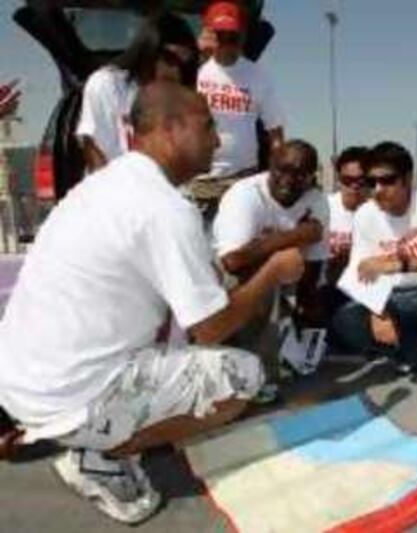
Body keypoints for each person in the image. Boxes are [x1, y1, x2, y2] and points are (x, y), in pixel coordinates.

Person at [0, 83, 302, 524]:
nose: (217, 140)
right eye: (208, 126)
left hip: (19, 381)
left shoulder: (100, 186)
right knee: (241, 377)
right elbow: (211, 328)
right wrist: (274, 271)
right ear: (170, 128)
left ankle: (98, 432)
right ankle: (98, 455)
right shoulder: (165, 208)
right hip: (69, 394)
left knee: (168, 350)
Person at [332, 142, 417, 405]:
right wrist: (378, 312)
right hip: (393, 298)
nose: (378, 190)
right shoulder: (366, 213)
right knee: (345, 319)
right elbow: (358, 272)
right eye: (371, 182)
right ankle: (407, 353)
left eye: (387, 181)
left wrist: (400, 264)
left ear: (408, 179)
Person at [212, 139, 328, 384]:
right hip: (222, 280)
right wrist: (296, 235)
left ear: (311, 177)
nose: (287, 180)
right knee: (266, 276)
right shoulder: (246, 195)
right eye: (281, 170)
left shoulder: (316, 201)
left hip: (280, 277)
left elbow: (313, 269)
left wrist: (305, 319)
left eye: (299, 174)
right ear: (269, 166)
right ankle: (257, 373)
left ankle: (274, 358)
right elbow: (233, 262)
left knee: (296, 281)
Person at [76, 12, 199, 172]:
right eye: (170, 58)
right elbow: (94, 148)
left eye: (184, 64)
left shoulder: (174, 97)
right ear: (149, 48)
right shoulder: (107, 84)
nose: (175, 69)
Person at [195, 0, 285, 205]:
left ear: (243, 35)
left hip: (243, 179)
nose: (227, 44)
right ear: (208, 34)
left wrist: (276, 177)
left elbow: (276, 134)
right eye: (221, 36)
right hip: (199, 179)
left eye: (233, 37)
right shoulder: (192, 72)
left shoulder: (258, 75)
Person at [323, 146, 372, 333]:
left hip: (365, 292)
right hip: (326, 289)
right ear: (338, 179)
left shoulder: (382, 213)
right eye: (347, 180)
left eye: (361, 181)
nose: (354, 186)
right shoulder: (322, 207)